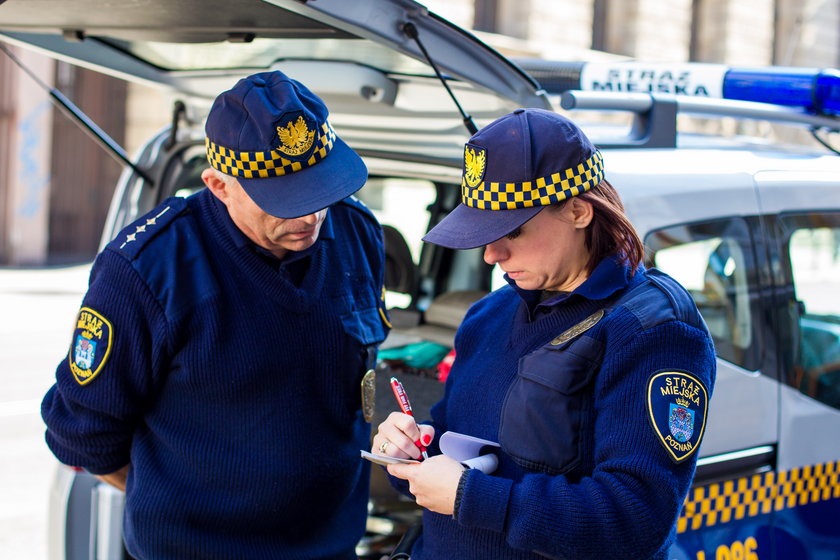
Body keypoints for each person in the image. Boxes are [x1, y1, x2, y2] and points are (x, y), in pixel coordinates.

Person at [41, 70, 390, 559]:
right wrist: (189, 514)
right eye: (287, 200)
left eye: (321, 189)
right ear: (218, 185)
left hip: (331, 546)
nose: (311, 216)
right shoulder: (146, 269)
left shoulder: (358, 234)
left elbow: (360, 381)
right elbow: (86, 435)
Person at [372, 108, 716, 559]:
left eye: (512, 230)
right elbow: (454, 442)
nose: (492, 254)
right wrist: (410, 451)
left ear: (578, 211)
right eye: (483, 231)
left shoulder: (653, 330)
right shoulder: (489, 314)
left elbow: (635, 519)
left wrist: (471, 497)